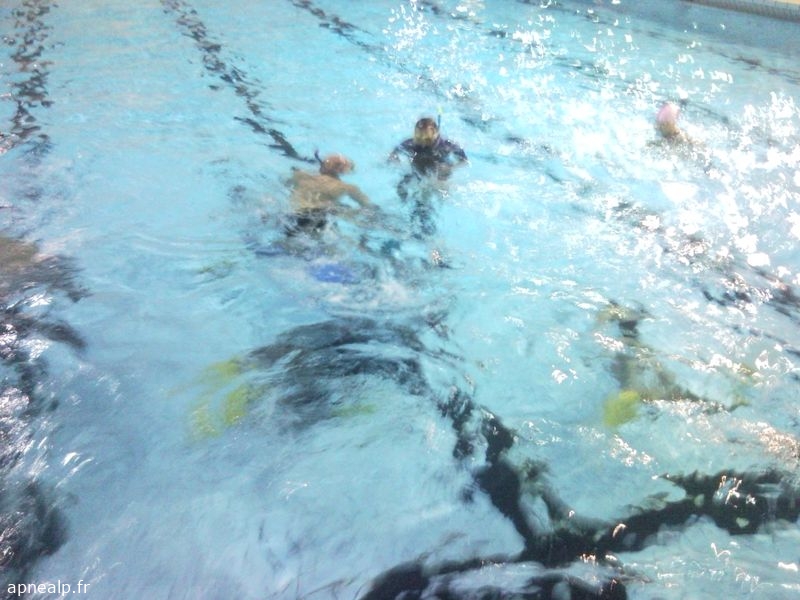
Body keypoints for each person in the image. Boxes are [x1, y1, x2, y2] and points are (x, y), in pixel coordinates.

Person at [285, 151, 373, 237]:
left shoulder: (300, 175)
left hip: (293, 215)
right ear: (344, 171)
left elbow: (286, 185)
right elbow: (368, 205)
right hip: (318, 217)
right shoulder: (346, 187)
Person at [389, 117, 467, 180]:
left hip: (440, 173)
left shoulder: (446, 145)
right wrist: (399, 165)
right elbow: (393, 155)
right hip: (417, 172)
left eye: (427, 139)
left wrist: (450, 168)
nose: (423, 143)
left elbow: (464, 160)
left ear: (436, 134)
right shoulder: (410, 144)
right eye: (419, 138)